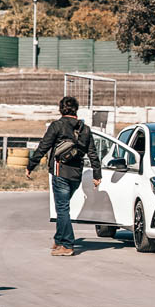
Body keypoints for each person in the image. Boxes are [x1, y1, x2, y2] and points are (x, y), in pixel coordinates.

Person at [26, 96, 102, 255]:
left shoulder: (57, 126)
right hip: (76, 175)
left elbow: (43, 147)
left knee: (62, 209)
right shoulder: (85, 129)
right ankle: (59, 239)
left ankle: (67, 245)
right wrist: (97, 175)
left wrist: (31, 166)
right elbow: (93, 154)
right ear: (76, 109)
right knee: (63, 208)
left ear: (61, 109)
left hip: (60, 172)